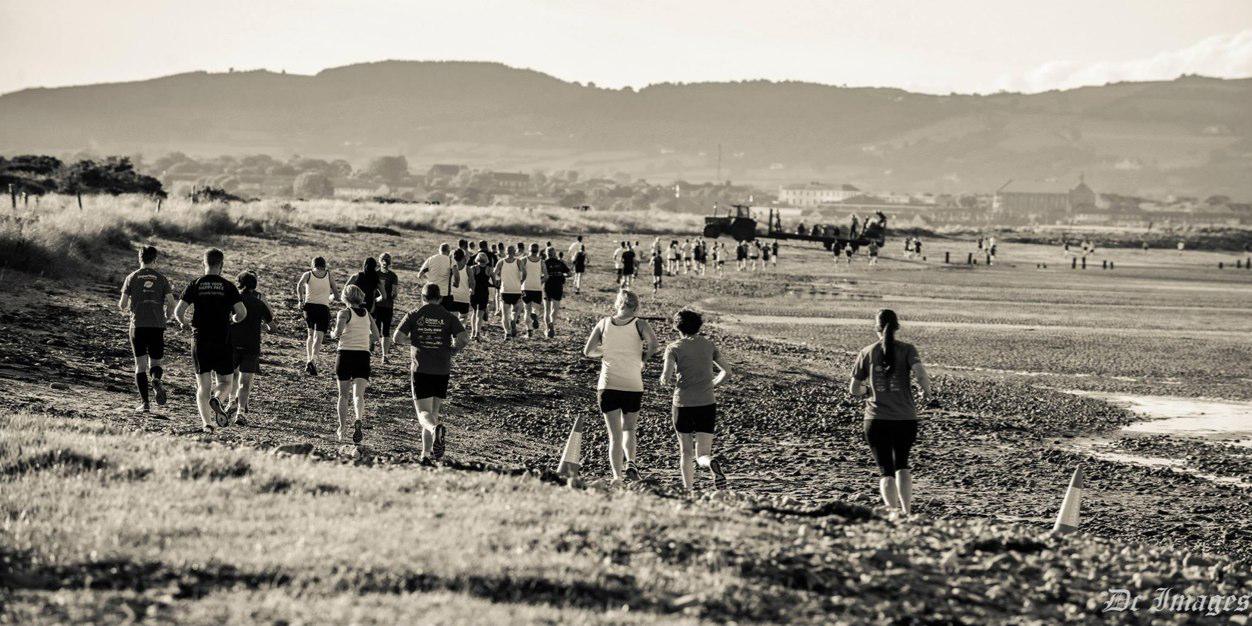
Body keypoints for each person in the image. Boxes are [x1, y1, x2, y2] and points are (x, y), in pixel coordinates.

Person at [849, 309, 934, 516]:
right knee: (902, 464)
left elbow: (853, 389)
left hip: (876, 419)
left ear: (876, 328)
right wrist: (927, 392)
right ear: (897, 327)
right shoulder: (907, 350)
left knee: (886, 470)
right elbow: (921, 374)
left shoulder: (866, 352)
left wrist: (869, 391)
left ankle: (893, 513)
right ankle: (907, 511)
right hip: (905, 418)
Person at [581, 290, 659, 481]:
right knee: (629, 429)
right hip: (632, 384)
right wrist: (643, 358)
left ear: (617, 304)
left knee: (614, 436)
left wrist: (605, 351)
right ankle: (631, 461)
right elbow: (654, 345)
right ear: (636, 306)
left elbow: (588, 351)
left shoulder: (604, 323)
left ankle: (617, 477)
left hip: (608, 384)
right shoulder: (640, 324)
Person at [173, 248, 247, 433]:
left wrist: (183, 323)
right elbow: (242, 312)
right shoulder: (228, 286)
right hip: (222, 339)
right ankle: (219, 399)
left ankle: (206, 424)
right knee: (225, 382)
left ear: (203, 263)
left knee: (203, 386)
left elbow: (178, 312)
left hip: (200, 340)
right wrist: (234, 320)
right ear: (221, 265)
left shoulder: (195, 284)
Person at [394, 283, 469, 462]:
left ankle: (436, 431)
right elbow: (464, 338)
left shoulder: (414, 314)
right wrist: (453, 350)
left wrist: (416, 340)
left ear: (422, 296)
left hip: (422, 368)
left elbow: (397, 338)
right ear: (440, 298)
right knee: (433, 413)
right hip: (442, 368)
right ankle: (426, 454)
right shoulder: (448, 316)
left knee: (423, 415)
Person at [660, 310, 731, 491]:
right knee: (702, 454)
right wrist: (713, 384)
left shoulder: (673, 347)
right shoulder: (708, 345)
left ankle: (689, 490)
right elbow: (727, 372)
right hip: (707, 403)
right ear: (698, 326)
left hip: (683, 404)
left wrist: (664, 380)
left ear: (677, 327)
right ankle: (710, 462)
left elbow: (666, 377)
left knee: (685, 452)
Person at [118, 245, 175, 413]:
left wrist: (129, 306)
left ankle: (145, 403)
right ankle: (156, 379)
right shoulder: (162, 279)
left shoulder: (131, 277)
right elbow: (171, 303)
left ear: (139, 258)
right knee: (155, 362)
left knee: (140, 366)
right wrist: (167, 316)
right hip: (157, 325)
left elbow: (122, 304)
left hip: (138, 326)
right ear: (155, 260)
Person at [330, 285, 378, 444]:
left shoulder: (344, 313)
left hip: (345, 354)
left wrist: (331, 333)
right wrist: (365, 339)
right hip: (363, 356)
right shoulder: (367, 315)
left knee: (343, 395)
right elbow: (376, 336)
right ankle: (358, 418)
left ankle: (342, 427)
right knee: (359, 395)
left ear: (345, 297)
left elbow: (337, 333)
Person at [226, 271, 273, 425]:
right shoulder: (259, 303)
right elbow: (272, 326)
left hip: (232, 344)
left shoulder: (233, 302)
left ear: (239, 284)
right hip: (251, 346)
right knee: (245, 383)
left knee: (230, 377)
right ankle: (240, 412)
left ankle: (230, 401)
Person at [295, 257, 338, 376]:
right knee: (319, 337)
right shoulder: (328, 275)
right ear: (324, 265)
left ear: (313, 264)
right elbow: (336, 293)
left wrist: (300, 300)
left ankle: (309, 359)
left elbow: (299, 286)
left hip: (309, 307)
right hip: (323, 308)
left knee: (310, 334)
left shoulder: (308, 274)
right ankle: (313, 360)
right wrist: (329, 298)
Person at [495, 245, 525, 339]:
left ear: (506, 251)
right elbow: (524, 272)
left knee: (504, 314)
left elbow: (494, 273)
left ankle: (507, 333)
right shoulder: (518, 261)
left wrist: (498, 280)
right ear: (514, 251)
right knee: (517, 309)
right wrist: (521, 282)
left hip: (505, 290)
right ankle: (514, 319)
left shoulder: (501, 262)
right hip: (516, 290)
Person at [375, 253, 399, 364]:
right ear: (380, 261)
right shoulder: (378, 274)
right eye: (384, 260)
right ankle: (383, 355)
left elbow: (394, 293)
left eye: (386, 260)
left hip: (384, 306)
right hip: (380, 306)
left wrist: (393, 294)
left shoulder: (391, 276)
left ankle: (384, 355)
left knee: (383, 331)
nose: (385, 262)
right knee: (381, 331)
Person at [418, 243, 457, 309]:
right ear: (448, 251)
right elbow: (456, 275)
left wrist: (428, 281)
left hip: (431, 292)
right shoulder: (450, 260)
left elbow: (420, 275)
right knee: (445, 315)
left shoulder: (431, 259)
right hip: (445, 293)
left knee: (430, 313)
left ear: (439, 250)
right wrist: (456, 283)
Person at [542, 246, 570, 338]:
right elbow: (569, 273)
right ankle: (552, 324)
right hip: (558, 286)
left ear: (546, 254)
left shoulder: (544, 263)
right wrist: (561, 274)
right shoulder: (560, 263)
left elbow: (540, 274)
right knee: (555, 308)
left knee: (547, 309)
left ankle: (547, 329)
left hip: (547, 286)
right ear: (555, 253)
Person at [521, 243, 547, 337]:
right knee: (536, 308)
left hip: (525, 287)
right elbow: (546, 276)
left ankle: (529, 331)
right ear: (537, 250)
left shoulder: (524, 260)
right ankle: (534, 314)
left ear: (529, 249)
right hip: (537, 288)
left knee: (526, 310)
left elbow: (518, 271)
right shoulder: (541, 262)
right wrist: (540, 282)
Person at [467, 252, 494, 340]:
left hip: (474, 293)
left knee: (474, 312)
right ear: (486, 260)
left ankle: (472, 333)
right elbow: (494, 283)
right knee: (480, 314)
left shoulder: (473, 268)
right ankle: (477, 333)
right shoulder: (489, 269)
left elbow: (469, 281)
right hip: (484, 293)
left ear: (477, 259)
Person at [448, 248, 473, 326]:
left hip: (453, 297)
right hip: (464, 297)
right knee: (463, 317)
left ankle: (452, 334)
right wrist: (472, 289)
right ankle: (458, 333)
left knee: (452, 318)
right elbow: (472, 282)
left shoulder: (450, 268)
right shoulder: (468, 269)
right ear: (463, 257)